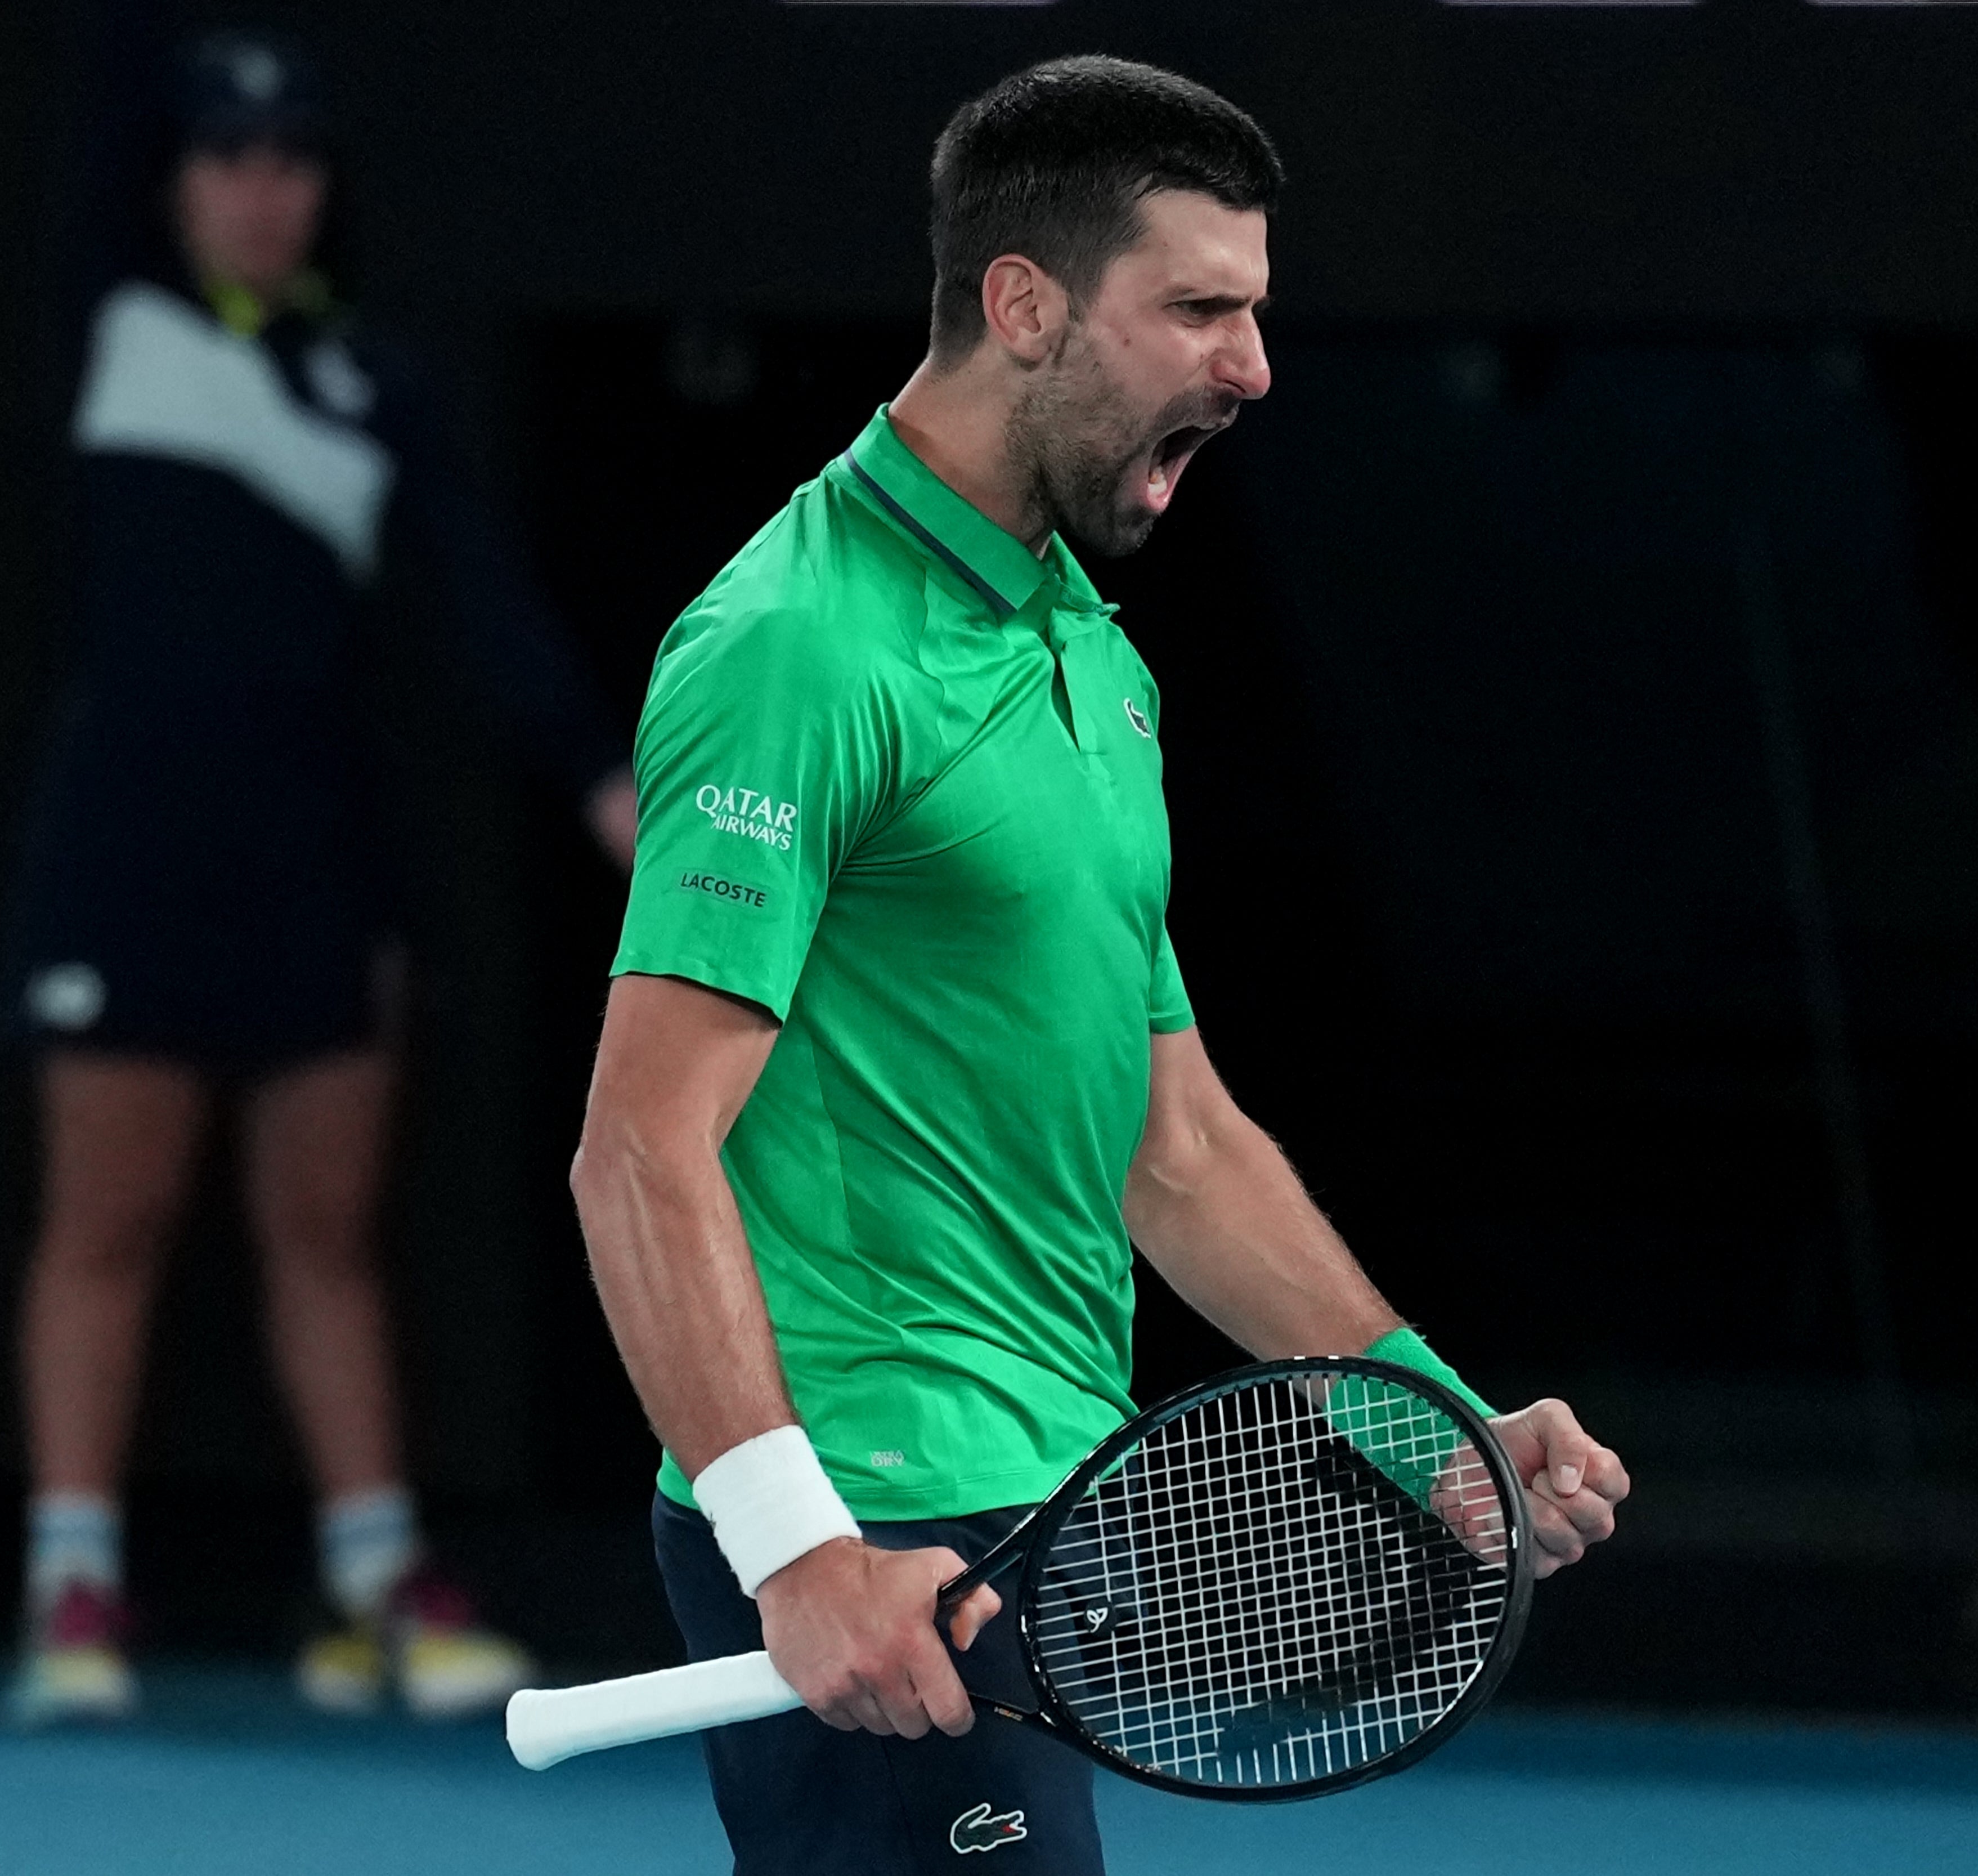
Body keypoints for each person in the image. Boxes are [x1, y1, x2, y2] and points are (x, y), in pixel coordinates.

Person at [571, 56, 1629, 1874]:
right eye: (1199, 308)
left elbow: (1178, 1146)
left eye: (1257, 310)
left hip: (1030, 1500)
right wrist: (794, 1547)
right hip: (874, 1515)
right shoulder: (794, 649)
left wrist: (1430, 1424)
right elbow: (639, 1151)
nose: (1254, 366)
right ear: (1023, 304)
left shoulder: (1098, 657)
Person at [1, 12, 635, 1727]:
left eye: (291, 163)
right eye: (228, 160)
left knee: (330, 1233)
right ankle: (74, 1585)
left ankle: (373, 1586)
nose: (263, 192)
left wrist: (602, 780)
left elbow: (483, 603)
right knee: (106, 1223)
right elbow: (102, 102)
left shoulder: (378, 388)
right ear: (175, 182)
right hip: (124, 852)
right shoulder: (108, 325)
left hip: (313, 855)